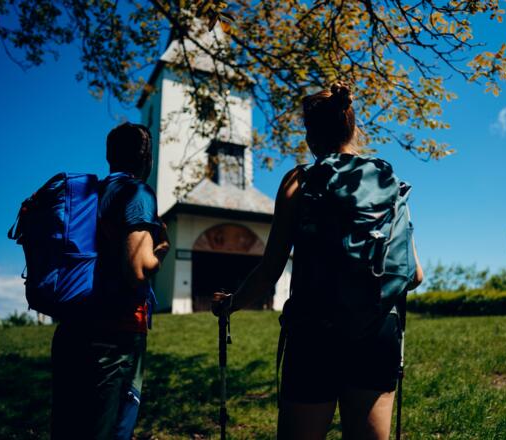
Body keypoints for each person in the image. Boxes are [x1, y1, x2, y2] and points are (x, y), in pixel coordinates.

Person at [212, 83, 424, 440]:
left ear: (310, 136)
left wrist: (231, 304)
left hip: (315, 331)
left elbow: (270, 270)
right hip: (378, 331)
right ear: (352, 127)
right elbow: (414, 275)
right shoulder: (388, 182)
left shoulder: (300, 181)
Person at [51, 122, 169, 439]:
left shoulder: (90, 196)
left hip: (73, 330)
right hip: (114, 338)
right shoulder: (136, 192)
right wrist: (161, 250)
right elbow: (138, 269)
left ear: (109, 156)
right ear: (147, 159)